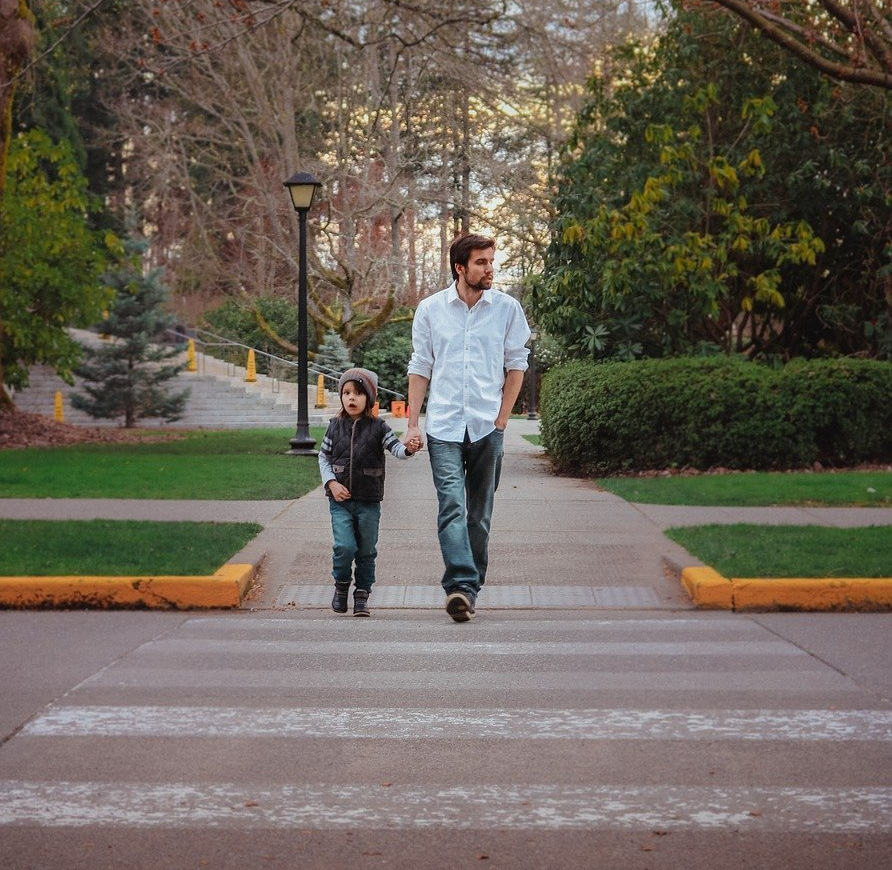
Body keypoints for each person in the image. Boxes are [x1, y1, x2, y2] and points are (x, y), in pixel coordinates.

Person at [404, 233, 530, 622]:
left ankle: (470, 588)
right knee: (452, 506)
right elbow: (420, 366)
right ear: (461, 267)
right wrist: (413, 423)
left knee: (479, 513)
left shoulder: (507, 309)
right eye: (481, 262)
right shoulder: (430, 309)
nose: (490, 268)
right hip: (443, 426)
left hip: (487, 425)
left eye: (491, 261)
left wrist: (502, 419)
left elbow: (516, 365)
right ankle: (460, 585)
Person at [319, 367, 421, 617]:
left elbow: (396, 449)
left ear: (370, 398)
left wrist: (409, 449)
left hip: (369, 501)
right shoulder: (334, 427)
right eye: (346, 393)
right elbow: (323, 456)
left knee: (366, 550)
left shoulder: (379, 428)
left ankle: (362, 594)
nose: (351, 398)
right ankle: (341, 586)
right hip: (340, 501)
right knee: (344, 546)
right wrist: (331, 483)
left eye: (358, 393)